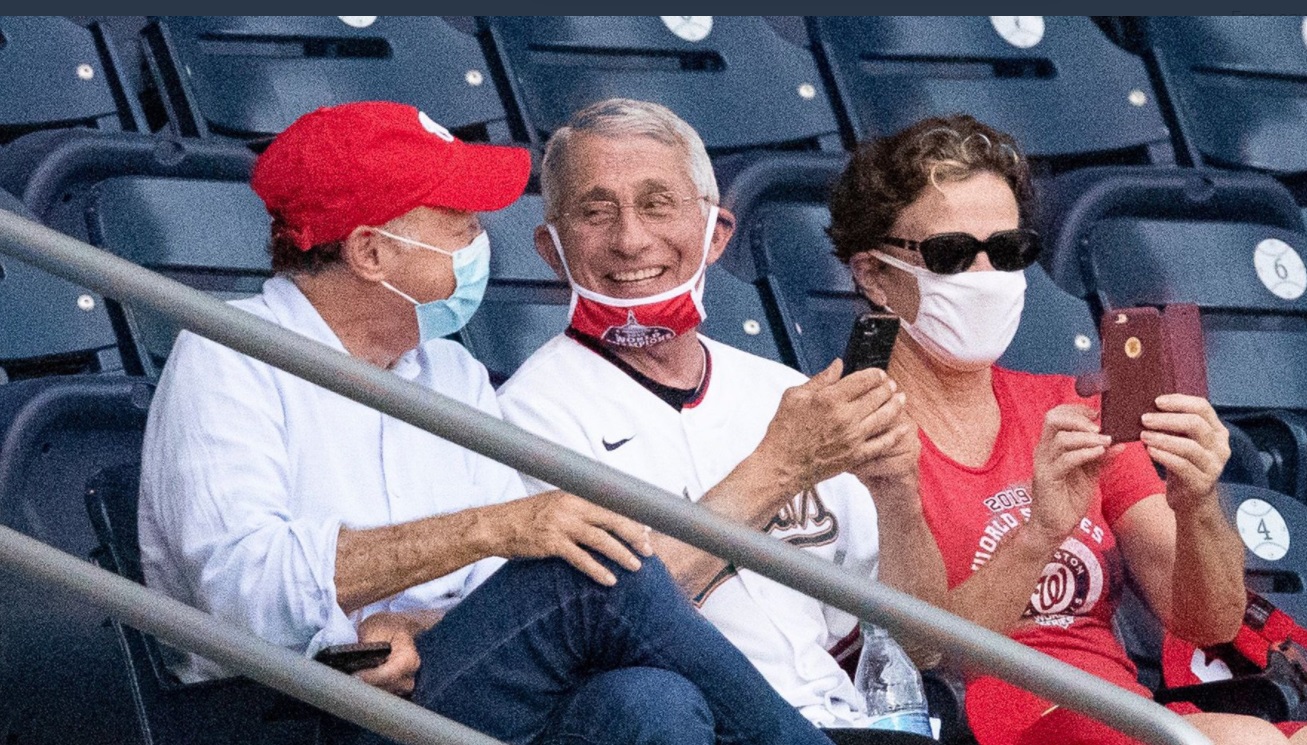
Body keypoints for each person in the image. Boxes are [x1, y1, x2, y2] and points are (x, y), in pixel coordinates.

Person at [136, 100, 844, 745]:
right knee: (593, 569)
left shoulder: (451, 372)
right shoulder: (230, 350)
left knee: (650, 702)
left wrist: (408, 622)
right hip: (299, 706)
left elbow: (493, 598)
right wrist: (491, 528)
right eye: (458, 224)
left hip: (432, 678)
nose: (480, 242)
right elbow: (241, 592)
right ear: (370, 252)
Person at [825, 113, 1304, 745]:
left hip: (1128, 719)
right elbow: (926, 656)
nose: (986, 277)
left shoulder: (1068, 410)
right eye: (950, 254)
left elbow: (1208, 621)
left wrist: (1197, 502)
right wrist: (1038, 534)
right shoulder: (846, 428)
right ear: (874, 275)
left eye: (1007, 250)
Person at [495, 98, 947, 742]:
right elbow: (602, 627)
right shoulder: (526, 416)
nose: (631, 238)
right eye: (596, 212)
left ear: (717, 235)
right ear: (551, 248)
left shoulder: (783, 391)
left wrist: (898, 495)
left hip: (845, 721)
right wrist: (781, 466)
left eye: (658, 204)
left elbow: (919, 645)